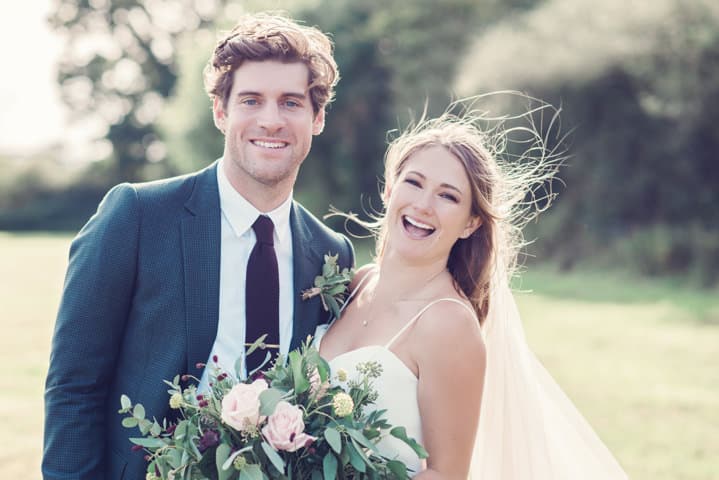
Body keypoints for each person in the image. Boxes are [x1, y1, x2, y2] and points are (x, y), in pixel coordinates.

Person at [43, 13, 354, 480]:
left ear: (318, 117)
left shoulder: (331, 254)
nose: (270, 119)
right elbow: (74, 386)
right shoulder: (137, 216)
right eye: (251, 100)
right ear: (221, 111)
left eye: (290, 102)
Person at [315, 105, 629, 479]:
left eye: (447, 197)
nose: (423, 205)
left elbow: (446, 474)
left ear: (471, 223)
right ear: (389, 189)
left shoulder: (447, 323)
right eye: (414, 182)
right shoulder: (357, 283)